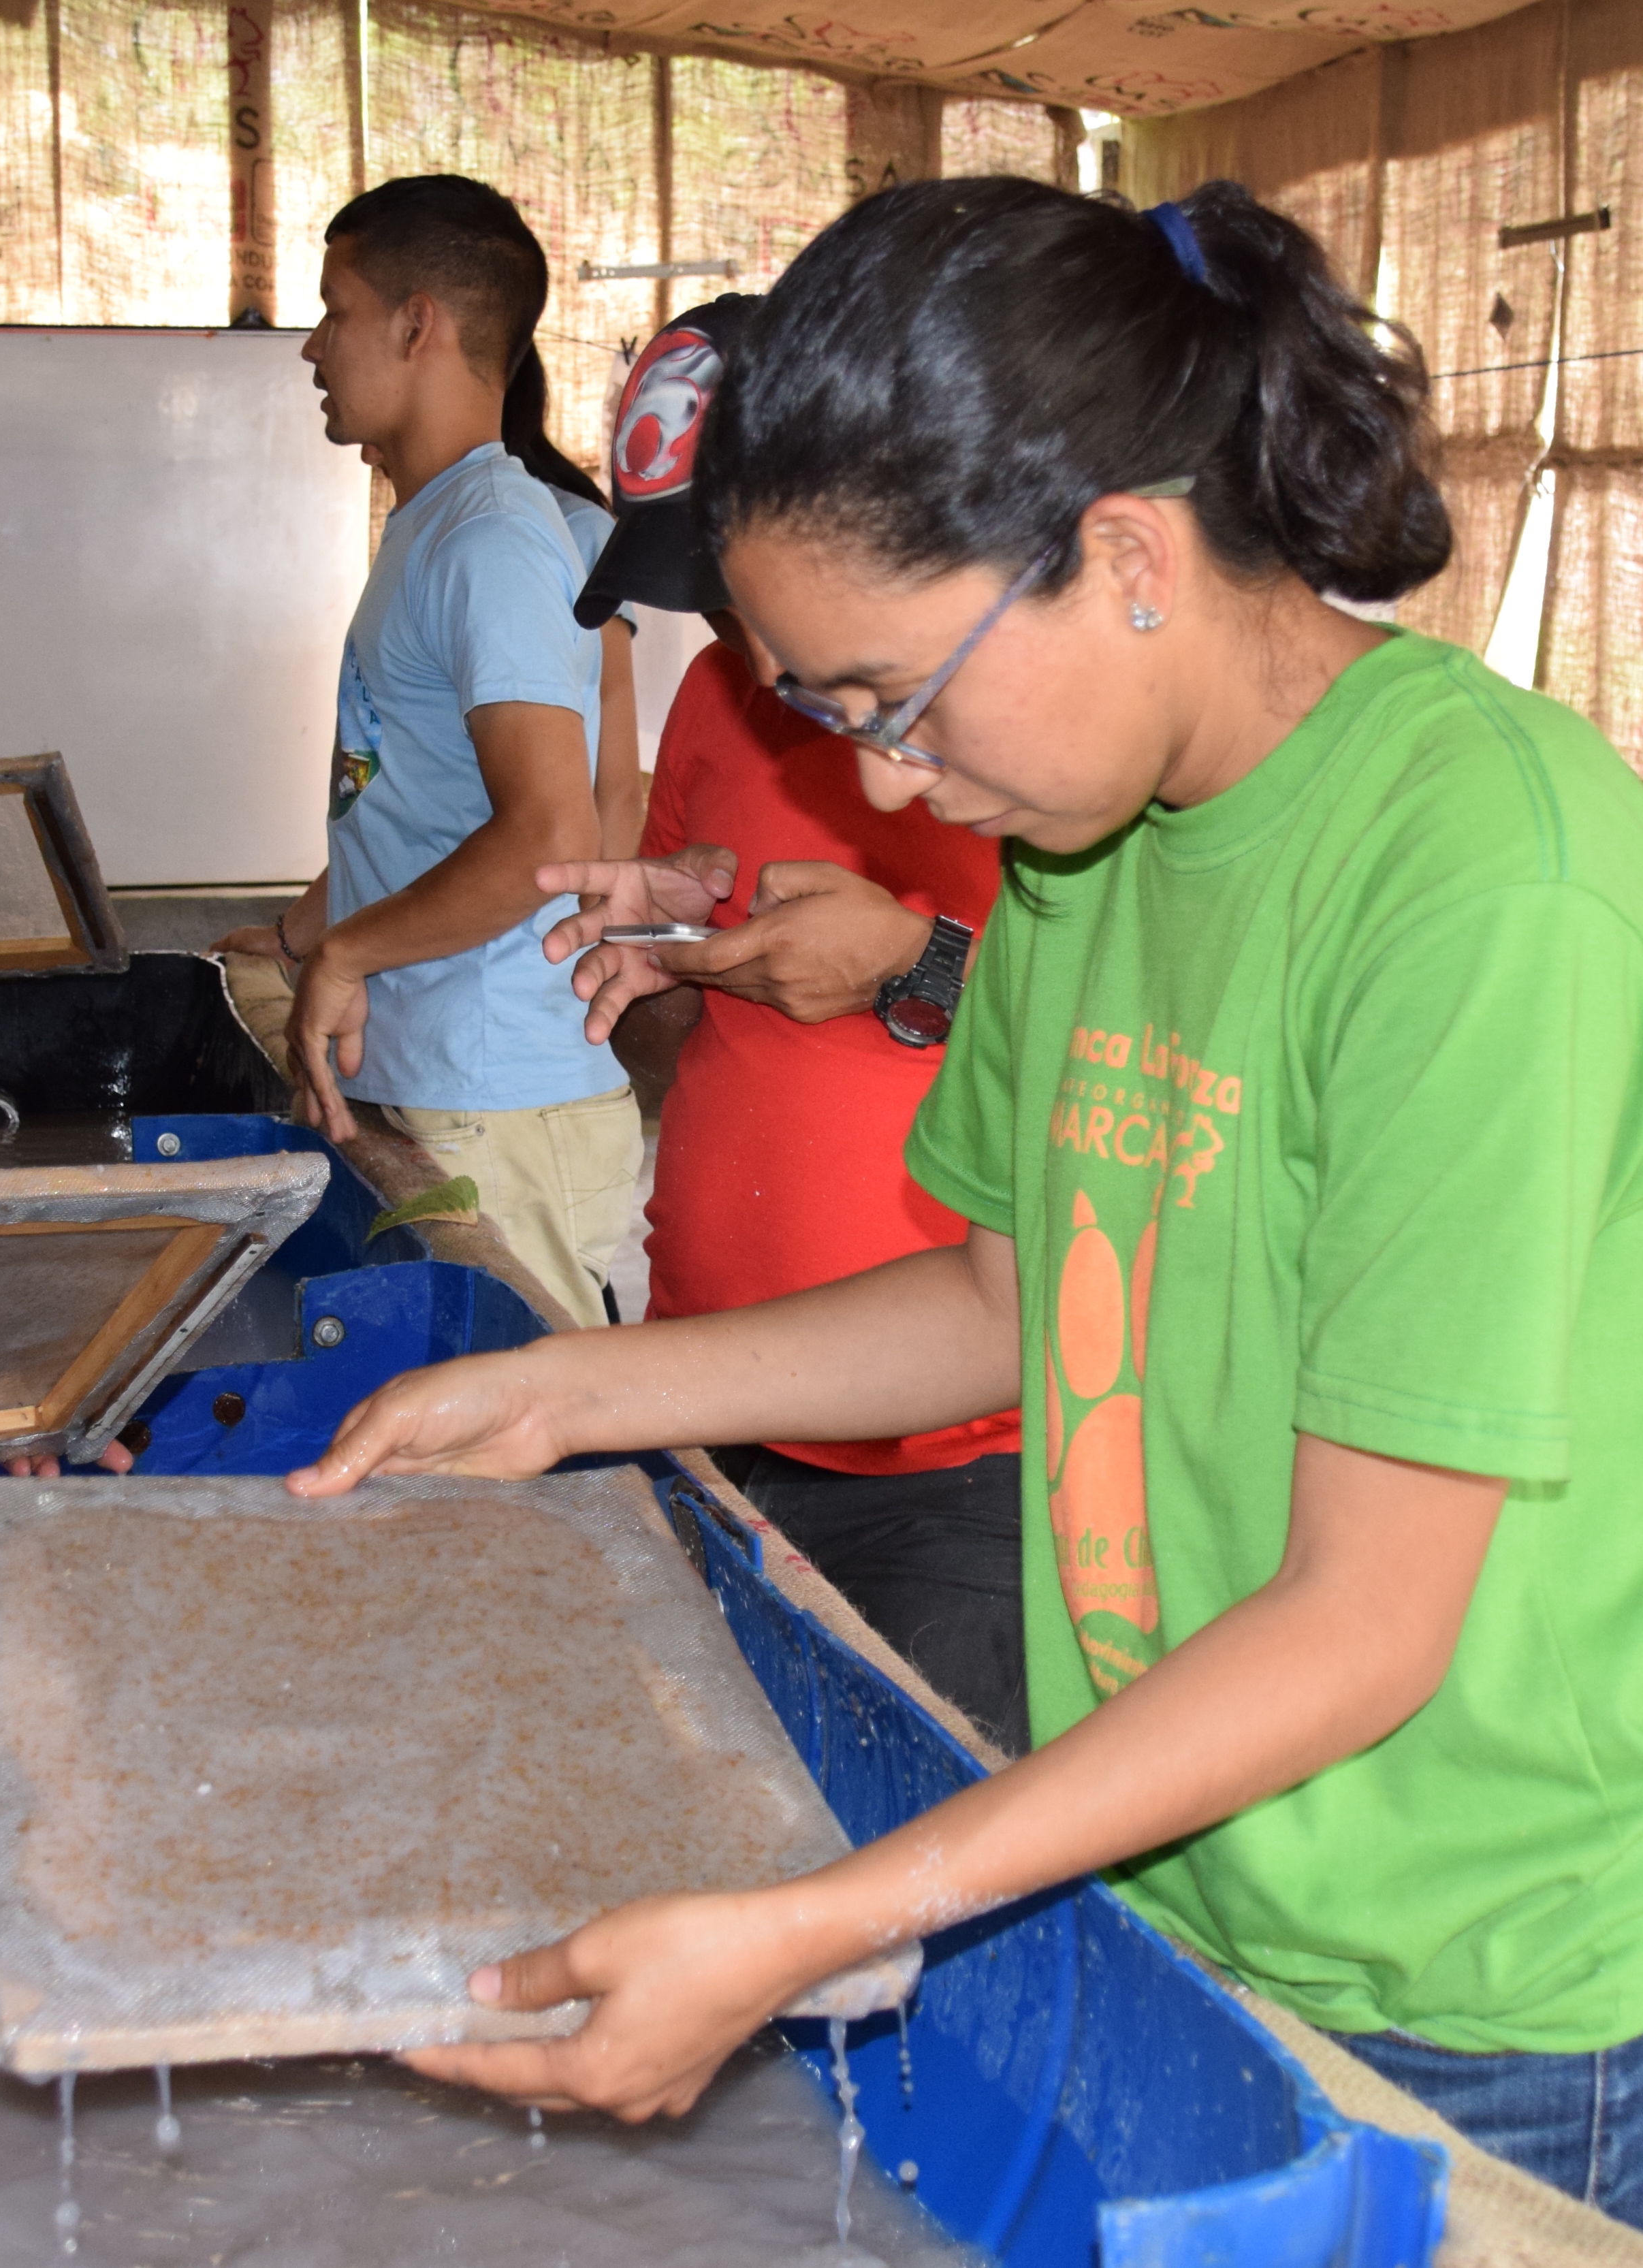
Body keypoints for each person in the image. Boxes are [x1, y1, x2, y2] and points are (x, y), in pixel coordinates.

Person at [289, 179, 1643, 2250]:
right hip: (1190, 1865)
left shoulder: (1483, 891)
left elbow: (1364, 1621)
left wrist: (825, 1921)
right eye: (830, 716)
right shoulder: (1094, 844)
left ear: (1122, 552)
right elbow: (1011, 1298)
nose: (887, 792)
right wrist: (578, 1390)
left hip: (1494, 1964)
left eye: (896, 697)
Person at [549, 296, 1026, 1750]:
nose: (757, 662)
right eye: (713, 605)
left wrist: (911, 964)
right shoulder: (718, 687)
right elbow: (724, 875)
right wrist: (676, 919)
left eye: (757, 603)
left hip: (943, 1451)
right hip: (718, 1380)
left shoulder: (1021, 727)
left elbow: (1096, 1023)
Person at [217, 174, 637, 1330]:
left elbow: (553, 832)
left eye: (333, 310)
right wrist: (310, 927)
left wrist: (347, 956)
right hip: (447, 1081)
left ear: (418, 323)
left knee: (524, 1453)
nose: (310, 347)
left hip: (497, 1097)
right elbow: (416, 803)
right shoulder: (433, 528)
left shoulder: (494, 537)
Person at [499, 345, 641, 859]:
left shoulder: (580, 531)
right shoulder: (418, 527)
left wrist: (605, 920)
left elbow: (617, 779)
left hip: (542, 906)